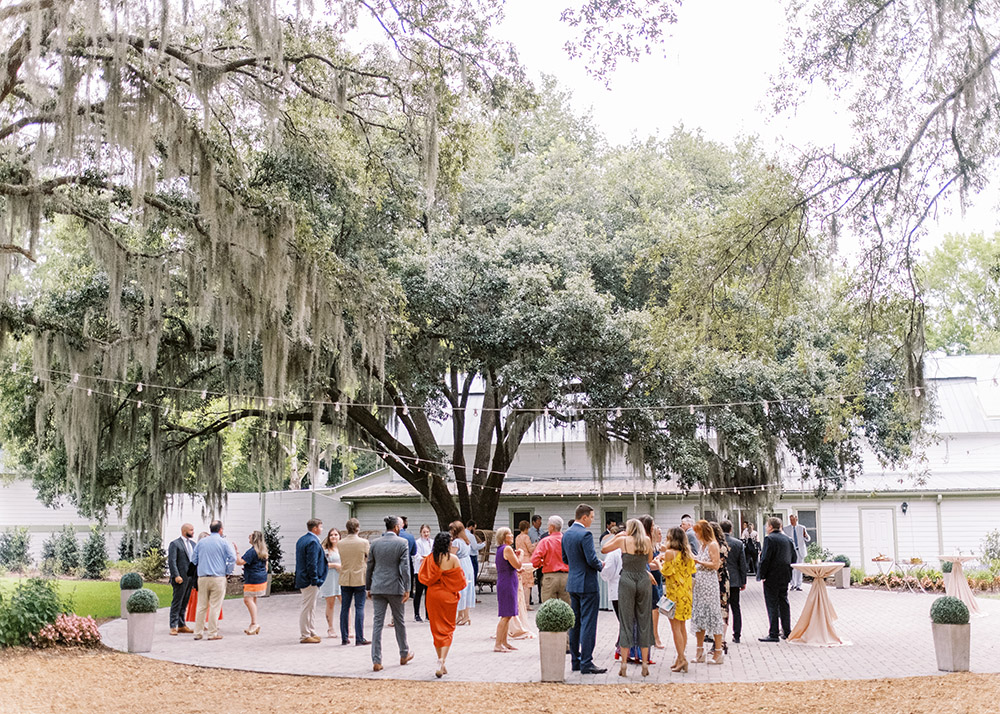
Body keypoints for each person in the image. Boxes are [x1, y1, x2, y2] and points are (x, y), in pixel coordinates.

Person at [602, 519, 655, 678]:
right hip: (643, 580)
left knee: (626, 621)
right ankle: (645, 663)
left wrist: (617, 536)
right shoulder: (646, 541)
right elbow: (650, 560)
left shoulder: (622, 540)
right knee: (644, 621)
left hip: (626, 580)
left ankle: (624, 664)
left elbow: (604, 549)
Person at [561, 503, 606, 674]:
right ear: (584, 517)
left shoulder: (567, 534)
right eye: (592, 517)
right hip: (587, 583)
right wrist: (602, 565)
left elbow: (565, 559)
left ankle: (575, 660)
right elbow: (592, 559)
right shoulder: (585, 534)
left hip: (573, 582)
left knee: (575, 623)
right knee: (588, 622)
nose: (592, 521)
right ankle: (587, 662)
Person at [366, 515, 413, 672]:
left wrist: (368, 586)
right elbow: (405, 568)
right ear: (397, 528)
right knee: (399, 621)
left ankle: (376, 659)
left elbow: (370, 566)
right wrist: (408, 588)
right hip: (395, 587)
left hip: (378, 586)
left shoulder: (375, 543)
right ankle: (404, 653)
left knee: (377, 623)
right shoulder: (402, 543)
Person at [419, 531, 467, 678]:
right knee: (447, 628)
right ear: (448, 544)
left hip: (433, 595)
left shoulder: (429, 559)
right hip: (447, 595)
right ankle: (442, 660)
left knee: (436, 628)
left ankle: (442, 662)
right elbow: (461, 580)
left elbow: (423, 577)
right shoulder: (452, 558)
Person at [190, 520, 235, 641]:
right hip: (218, 577)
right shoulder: (224, 542)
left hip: (203, 577)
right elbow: (232, 558)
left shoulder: (201, 543)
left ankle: (198, 632)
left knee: (201, 605)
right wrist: (227, 571)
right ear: (221, 529)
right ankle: (212, 633)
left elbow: (194, 559)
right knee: (215, 606)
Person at [660, 526, 696, 672]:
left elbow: (666, 572)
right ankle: (680, 657)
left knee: (675, 628)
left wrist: (658, 563)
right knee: (681, 627)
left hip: (674, 595)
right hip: (686, 594)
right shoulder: (687, 554)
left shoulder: (670, 553)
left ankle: (682, 658)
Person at [690, 520, 725, 665]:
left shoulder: (713, 545)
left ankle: (718, 651)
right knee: (699, 616)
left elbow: (716, 565)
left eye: (697, 532)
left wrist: (699, 562)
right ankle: (699, 651)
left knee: (713, 615)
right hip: (699, 585)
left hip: (709, 585)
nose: (696, 535)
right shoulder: (702, 546)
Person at [757, 516, 795, 642]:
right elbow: (794, 557)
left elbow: (765, 559)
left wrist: (762, 575)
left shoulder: (769, 539)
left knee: (772, 604)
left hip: (772, 576)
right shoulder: (788, 539)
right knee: (784, 602)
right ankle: (787, 631)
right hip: (785, 575)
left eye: (767, 526)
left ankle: (773, 633)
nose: (766, 528)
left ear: (771, 527)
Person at [294, 518, 328, 644]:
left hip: (303, 577)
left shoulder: (302, 539)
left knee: (311, 607)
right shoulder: (313, 542)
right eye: (321, 527)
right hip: (309, 580)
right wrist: (315, 579)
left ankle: (311, 631)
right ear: (315, 528)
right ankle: (305, 634)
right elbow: (311, 563)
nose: (322, 529)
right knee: (307, 607)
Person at [339, 517, 371, 646]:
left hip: (345, 577)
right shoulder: (364, 542)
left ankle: (344, 637)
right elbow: (369, 558)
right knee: (359, 607)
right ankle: (359, 637)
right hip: (359, 578)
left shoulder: (341, 543)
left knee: (344, 608)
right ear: (358, 528)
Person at [493, 527, 524, 652]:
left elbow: (510, 565)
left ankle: (504, 641)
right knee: (505, 615)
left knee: (509, 614)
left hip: (506, 581)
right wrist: (521, 555)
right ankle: (497, 644)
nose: (512, 536)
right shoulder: (507, 548)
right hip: (507, 583)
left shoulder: (502, 550)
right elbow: (518, 564)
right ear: (504, 537)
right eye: (509, 534)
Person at [185, 531, 223, 627]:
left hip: (210, 577)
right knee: (203, 604)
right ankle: (203, 625)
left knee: (212, 603)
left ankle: (212, 623)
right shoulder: (199, 551)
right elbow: (193, 565)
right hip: (200, 579)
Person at [234, 530, 268, 635]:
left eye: (250, 537)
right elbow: (266, 567)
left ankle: (254, 623)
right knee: (253, 599)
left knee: (247, 600)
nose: (248, 538)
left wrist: (237, 552)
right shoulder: (263, 551)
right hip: (261, 578)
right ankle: (253, 623)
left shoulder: (252, 551)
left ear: (254, 539)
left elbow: (240, 562)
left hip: (252, 579)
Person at [720, 520, 748, 644]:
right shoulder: (738, 543)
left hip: (720, 579)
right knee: (735, 607)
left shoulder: (716, 543)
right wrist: (743, 581)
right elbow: (742, 564)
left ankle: (719, 633)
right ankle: (737, 634)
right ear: (731, 530)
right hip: (735, 579)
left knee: (721, 607)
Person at [531, 515, 570, 604]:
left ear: (552, 527)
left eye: (548, 526)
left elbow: (534, 561)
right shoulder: (567, 540)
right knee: (566, 608)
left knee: (549, 608)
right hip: (566, 577)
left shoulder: (545, 541)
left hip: (550, 576)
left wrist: (541, 563)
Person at [641, 516, 666, 651]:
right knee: (653, 608)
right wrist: (658, 564)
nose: (660, 535)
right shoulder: (647, 543)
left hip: (657, 578)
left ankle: (654, 635)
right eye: (658, 533)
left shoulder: (657, 546)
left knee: (656, 607)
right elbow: (646, 565)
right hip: (651, 578)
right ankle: (654, 636)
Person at [167, 523, 196, 635]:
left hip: (190, 578)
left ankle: (182, 624)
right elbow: (172, 561)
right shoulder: (175, 544)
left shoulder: (193, 544)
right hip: (180, 577)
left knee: (185, 601)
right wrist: (176, 575)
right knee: (177, 601)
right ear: (184, 531)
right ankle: (173, 626)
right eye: (191, 530)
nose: (193, 532)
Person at [598, 528, 623, 657]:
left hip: (617, 589)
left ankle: (620, 646)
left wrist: (603, 573)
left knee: (622, 620)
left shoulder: (613, 553)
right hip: (628, 588)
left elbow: (607, 572)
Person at [708, 522, 730, 656]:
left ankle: (720, 642)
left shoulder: (717, 546)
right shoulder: (722, 544)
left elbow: (716, 565)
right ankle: (720, 641)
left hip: (719, 580)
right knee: (721, 610)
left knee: (721, 611)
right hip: (722, 579)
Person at [319, 527, 343, 638]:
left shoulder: (343, 549)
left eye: (336, 534)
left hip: (341, 579)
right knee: (330, 603)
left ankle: (349, 627)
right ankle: (330, 628)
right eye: (331, 535)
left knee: (345, 603)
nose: (333, 537)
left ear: (339, 536)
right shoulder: (325, 550)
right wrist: (334, 565)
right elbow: (321, 565)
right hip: (329, 578)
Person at [450, 521, 475, 625]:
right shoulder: (466, 541)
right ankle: (464, 615)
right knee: (468, 589)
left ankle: (463, 615)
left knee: (461, 590)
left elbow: (452, 555)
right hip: (468, 564)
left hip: (461, 564)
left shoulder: (456, 542)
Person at [783, 514, 810, 590]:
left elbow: (808, 539)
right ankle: (793, 584)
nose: (792, 521)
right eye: (791, 520)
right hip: (791, 551)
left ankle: (799, 585)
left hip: (800, 550)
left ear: (796, 519)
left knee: (799, 568)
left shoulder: (802, 528)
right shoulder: (786, 529)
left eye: (793, 520)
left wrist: (805, 535)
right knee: (792, 567)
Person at [413, 524, 433, 621]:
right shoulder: (418, 542)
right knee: (419, 592)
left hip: (429, 570)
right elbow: (416, 555)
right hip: (420, 570)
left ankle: (428, 614)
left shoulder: (432, 542)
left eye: (427, 532)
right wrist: (424, 558)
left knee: (428, 593)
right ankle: (416, 614)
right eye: (424, 532)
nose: (426, 534)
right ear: (421, 532)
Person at [515, 520, 535, 610]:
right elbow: (530, 549)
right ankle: (527, 604)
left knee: (520, 583)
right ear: (526, 528)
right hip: (526, 560)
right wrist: (535, 545)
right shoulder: (526, 537)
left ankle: (520, 604)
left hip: (519, 560)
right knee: (527, 584)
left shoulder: (517, 537)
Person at [466, 520, 485, 596]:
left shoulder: (463, 533)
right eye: (474, 528)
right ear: (471, 527)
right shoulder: (471, 536)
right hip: (472, 556)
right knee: (474, 574)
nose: (475, 530)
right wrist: (483, 544)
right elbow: (475, 547)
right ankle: (472, 594)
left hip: (467, 556)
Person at [400, 516, 417, 598]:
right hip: (407, 559)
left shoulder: (385, 535)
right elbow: (414, 552)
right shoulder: (410, 537)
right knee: (409, 574)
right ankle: (409, 591)